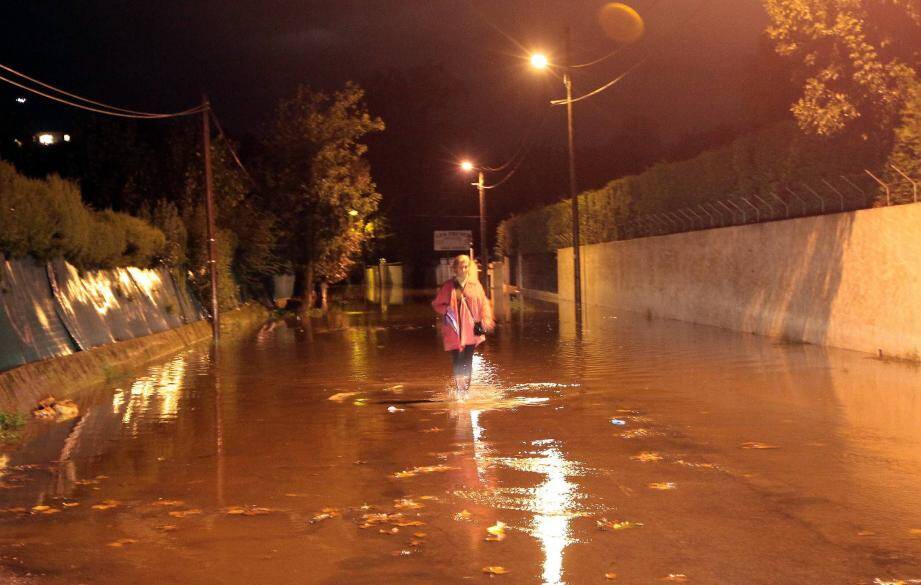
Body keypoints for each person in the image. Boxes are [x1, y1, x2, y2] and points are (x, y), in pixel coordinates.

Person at [432, 254, 494, 399]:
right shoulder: (448, 286)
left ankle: (465, 389)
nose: (464, 269)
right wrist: (446, 310)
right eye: (461, 266)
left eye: (466, 266)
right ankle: (460, 388)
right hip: (453, 330)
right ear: (455, 269)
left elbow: (483, 303)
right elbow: (437, 304)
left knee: (467, 360)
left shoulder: (475, 285)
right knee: (457, 360)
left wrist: (486, 319)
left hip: (471, 330)